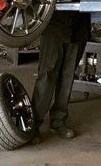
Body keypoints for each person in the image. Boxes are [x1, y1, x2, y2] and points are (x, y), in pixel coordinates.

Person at [32, 10, 90, 141]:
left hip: (78, 27)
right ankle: (34, 123)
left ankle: (58, 120)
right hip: (54, 25)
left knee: (67, 77)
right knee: (47, 75)